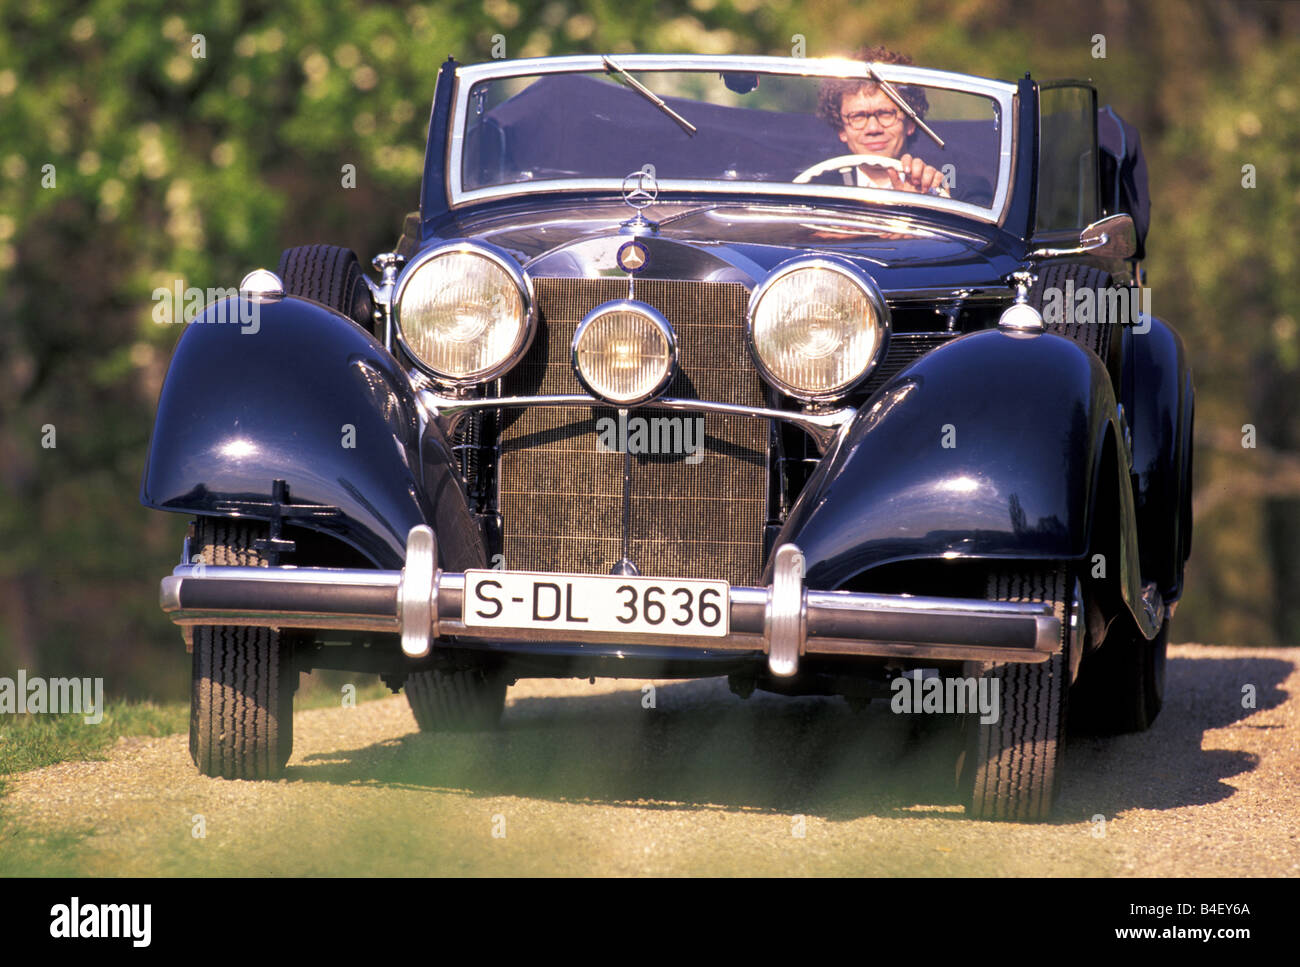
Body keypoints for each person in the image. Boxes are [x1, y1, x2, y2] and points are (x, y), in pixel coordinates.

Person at [815, 46, 948, 196]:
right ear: (841, 130)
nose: (873, 128)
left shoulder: (946, 192)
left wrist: (928, 204)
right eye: (857, 116)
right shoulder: (816, 192)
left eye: (886, 114)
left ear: (910, 123)